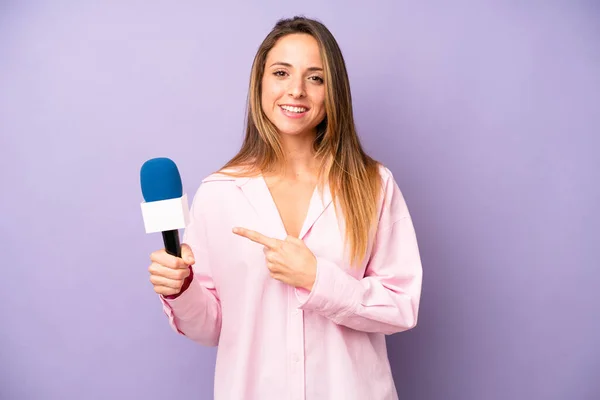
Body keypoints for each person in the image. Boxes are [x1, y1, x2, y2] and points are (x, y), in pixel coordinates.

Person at [148, 15, 423, 400]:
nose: (296, 90)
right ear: (260, 82)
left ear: (334, 92)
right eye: (281, 73)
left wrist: (317, 279)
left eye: (315, 77)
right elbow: (211, 329)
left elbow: (401, 306)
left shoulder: (373, 184)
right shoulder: (220, 193)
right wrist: (182, 289)